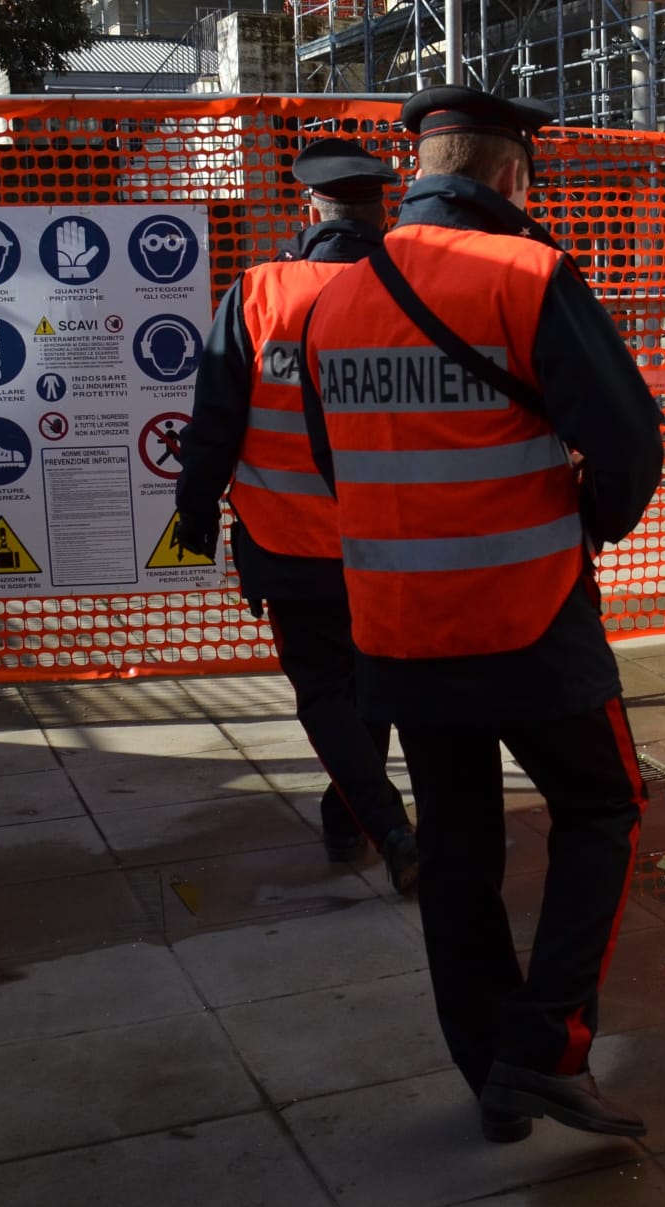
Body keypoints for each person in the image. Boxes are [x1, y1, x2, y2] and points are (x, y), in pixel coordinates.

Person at [299, 86, 664, 1143]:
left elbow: (334, 463)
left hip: (398, 626)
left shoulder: (335, 300)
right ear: (512, 175)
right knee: (604, 808)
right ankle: (547, 1043)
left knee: (458, 848)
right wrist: (585, 520)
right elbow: (630, 444)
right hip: (529, 614)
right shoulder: (529, 274)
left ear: (422, 173)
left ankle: (490, 1073)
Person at [173, 137, 418, 896]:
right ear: (382, 209)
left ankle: (384, 827)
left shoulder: (259, 291)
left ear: (309, 206)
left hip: (290, 540)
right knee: (368, 683)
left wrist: (195, 509)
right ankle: (349, 818)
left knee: (325, 691)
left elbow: (215, 417)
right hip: (399, 540)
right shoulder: (414, 287)